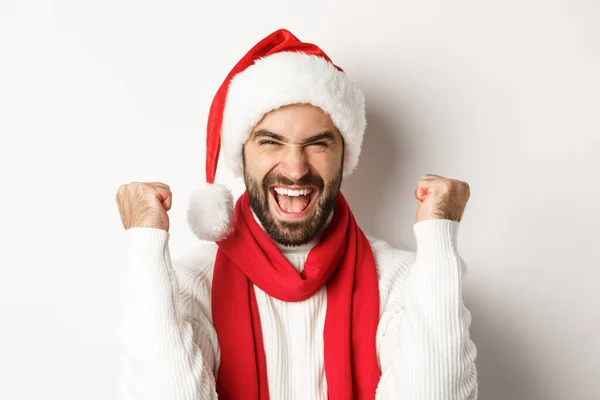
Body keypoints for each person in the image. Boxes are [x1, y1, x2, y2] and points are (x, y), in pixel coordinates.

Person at [115, 29, 478, 400]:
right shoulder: (188, 284)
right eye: (271, 142)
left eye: (317, 144)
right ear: (241, 155)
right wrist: (145, 247)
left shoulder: (404, 281)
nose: (294, 168)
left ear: (344, 157)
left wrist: (438, 238)